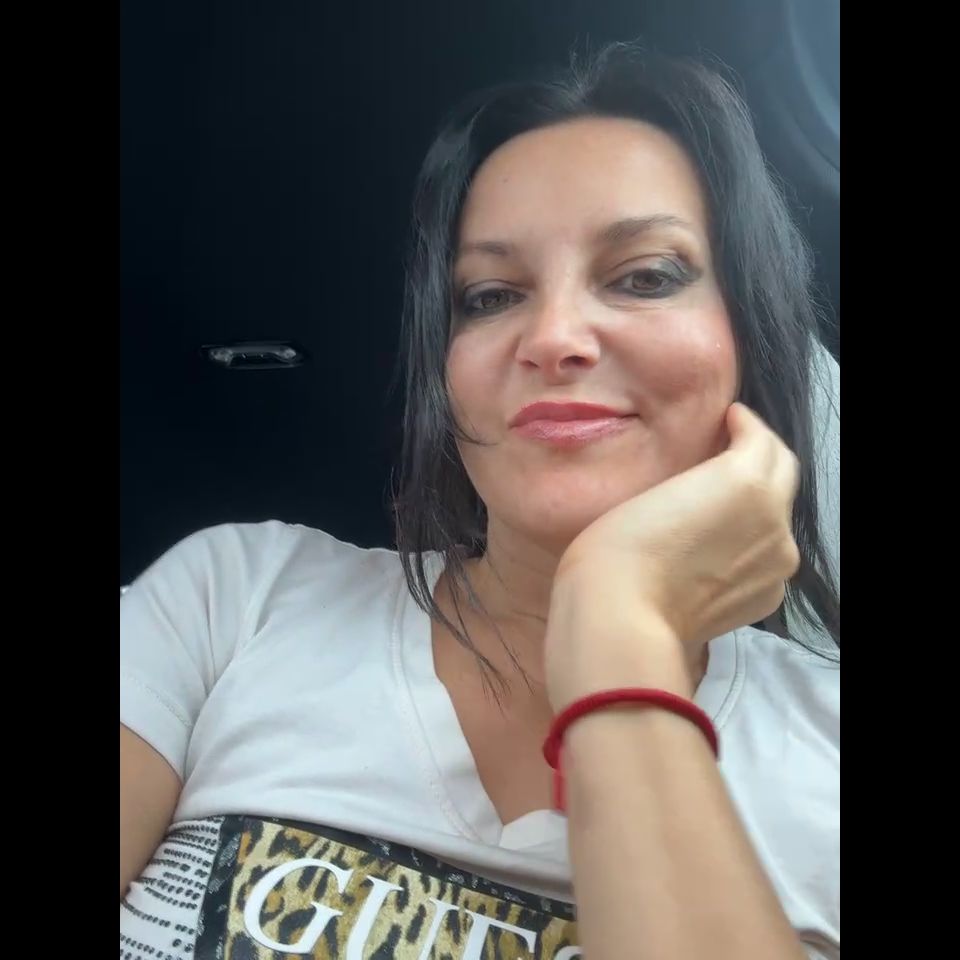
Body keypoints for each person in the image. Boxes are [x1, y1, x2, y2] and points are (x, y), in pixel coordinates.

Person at [120, 42, 840, 960]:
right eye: (491, 295)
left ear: (751, 338)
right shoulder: (235, 598)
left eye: (646, 276)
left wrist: (617, 634)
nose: (552, 335)